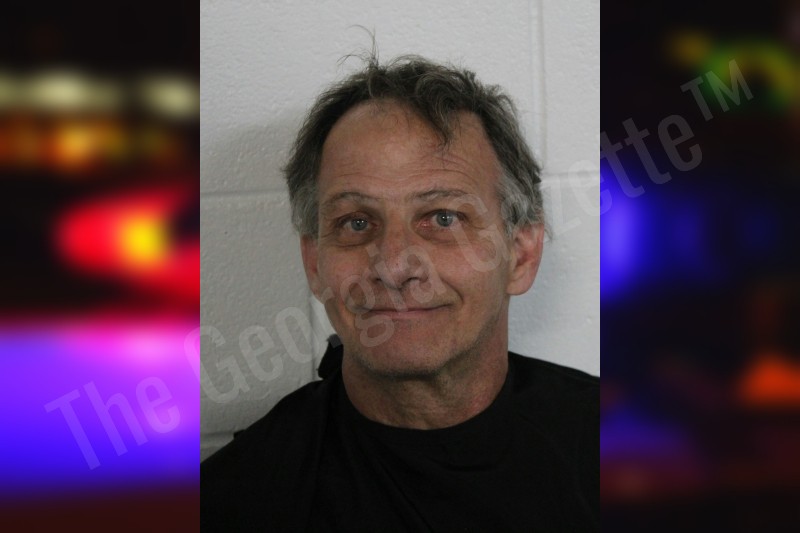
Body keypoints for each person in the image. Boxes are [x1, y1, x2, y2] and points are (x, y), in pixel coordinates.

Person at [201, 54, 598, 531]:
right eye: (356, 222)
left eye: (444, 218)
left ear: (521, 255)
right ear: (315, 264)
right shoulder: (232, 502)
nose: (392, 267)